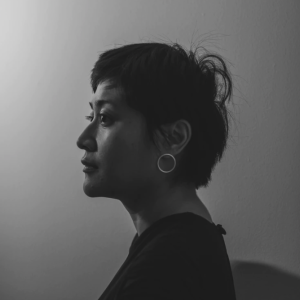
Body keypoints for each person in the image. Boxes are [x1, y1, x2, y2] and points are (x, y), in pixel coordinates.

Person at [76, 40, 236, 299]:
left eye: (105, 118)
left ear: (173, 138)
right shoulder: (180, 244)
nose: (83, 139)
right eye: (90, 117)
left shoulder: (168, 266)